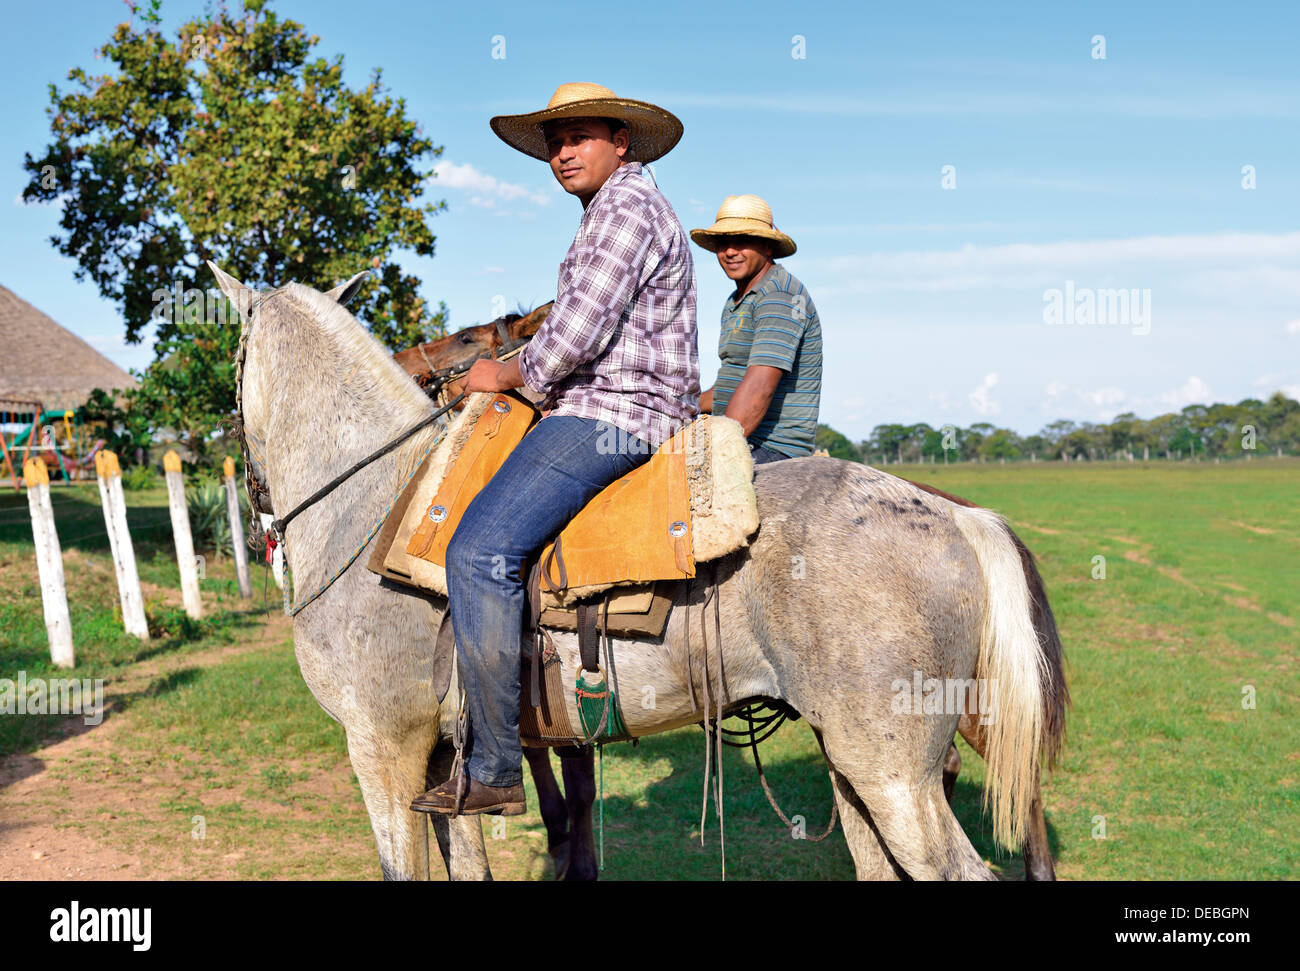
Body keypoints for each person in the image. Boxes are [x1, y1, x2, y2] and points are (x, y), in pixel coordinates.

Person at [410, 83, 699, 816]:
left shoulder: (627, 210)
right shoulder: (610, 211)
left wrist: (498, 373)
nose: (562, 153)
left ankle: (497, 764)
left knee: (477, 550)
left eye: (580, 138)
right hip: (610, 408)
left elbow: (570, 339)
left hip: (614, 416)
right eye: (553, 143)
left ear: (622, 142)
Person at [692, 195, 821, 464]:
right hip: (742, 433)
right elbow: (732, 381)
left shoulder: (781, 295)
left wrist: (718, 449)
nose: (729, 251)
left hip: (772, 445)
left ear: (768, 247)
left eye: (741, 241)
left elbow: (760, 385)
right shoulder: (737, 299)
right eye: (722, 243)